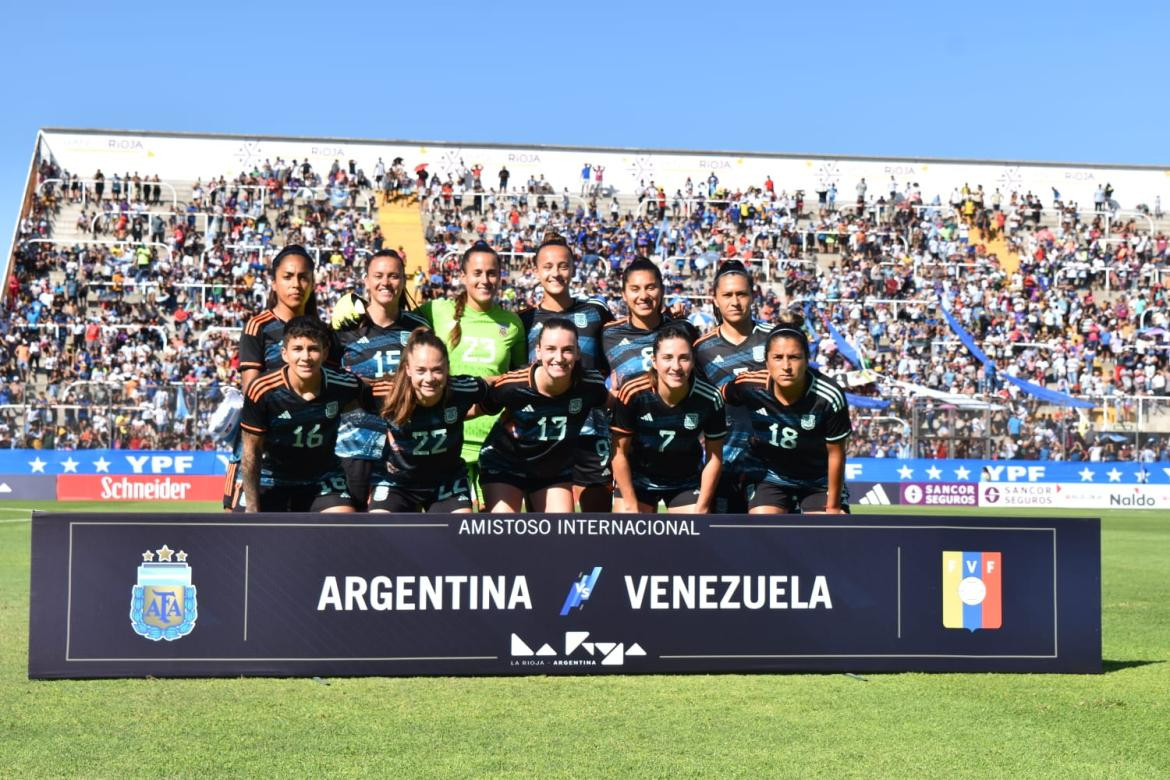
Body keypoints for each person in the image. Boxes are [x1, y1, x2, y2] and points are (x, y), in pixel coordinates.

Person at [416, 241, 526, 501]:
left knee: (495, 532)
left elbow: (520, 380)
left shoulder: (512, 324)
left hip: (496, 440)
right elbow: (393, 320)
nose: (485, 280)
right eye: (477, 273)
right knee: (452, 534)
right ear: (462, 276)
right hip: (448, 438)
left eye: (492, 273)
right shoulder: (436, 311)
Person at [518, 232, 615, 511]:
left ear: (572, 268)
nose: (556, 273)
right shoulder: (524, 321)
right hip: (541, 434)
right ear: (535, 271)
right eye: (547, 267)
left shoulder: (597, 311)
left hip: (589, 429)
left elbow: (623, 341)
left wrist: (672, 317)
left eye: (562, 265)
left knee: (597, 521)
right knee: (550, 528)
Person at [223, 245, 324, 511]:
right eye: (288, 276)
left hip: (309, 454)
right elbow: (252, 393)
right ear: (274, 282)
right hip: (262, 451)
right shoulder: (259, 327)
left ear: (312, 282)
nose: (296, 284)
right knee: (244, 538)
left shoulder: (323, 331)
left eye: (304, 277)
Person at [723, 315, 852, 514]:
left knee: (828, 532)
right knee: (763, 527)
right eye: (778, 357)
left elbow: (836, 453)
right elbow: (715, 399)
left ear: (807, 360)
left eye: (794, 357)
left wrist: (833, 507)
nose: (786, 366)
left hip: (818, 480)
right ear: (766, 361)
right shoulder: (748, 385)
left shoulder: (829, 395)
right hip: (771, 476)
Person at [477, 318, 609, 512]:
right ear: (538, 352)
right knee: (503, 531)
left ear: (578, 353)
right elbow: (473, 410)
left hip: (553, 469)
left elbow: (620, 404)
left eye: (567, 349)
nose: (559, 357)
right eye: (551, 349)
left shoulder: (590, 384)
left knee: (561, 534)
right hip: (505, 464)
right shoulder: (512, 385)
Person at [333, 249, 430, 511]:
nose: (385, 282)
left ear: (403, 280)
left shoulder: (419, 328)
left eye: (394, 276)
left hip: (403, 451)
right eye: (378, 275)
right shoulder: (344, 329)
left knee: (391, 539)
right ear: (366, 280)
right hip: (353, 449)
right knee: (347, 538)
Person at [240, 317, 368, 513]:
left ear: (325, 353)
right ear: (284, 353)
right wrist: (252, 507)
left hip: (322, 479)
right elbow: (251, 452)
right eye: (298, 349)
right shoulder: (262, 390)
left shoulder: (345, 385)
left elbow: (373, 403)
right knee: (245, 533)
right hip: (272, 478)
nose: (306, 357)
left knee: (344, 522)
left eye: (313, 349)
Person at [611, 323, 726, 513]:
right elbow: (619, 453)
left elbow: (714, 457)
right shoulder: (633, 392)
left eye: (684, 358)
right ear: (654, 361)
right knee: (629, 533)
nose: (676, 366)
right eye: (667, 358)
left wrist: (702, 507)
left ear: (693, 361)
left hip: (685, 482)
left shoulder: (710, 398)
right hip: (638, 480)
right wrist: (631, 506)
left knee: (693, 534)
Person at [369, 329, 488, 513]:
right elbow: (347, 393)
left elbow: (500, 387)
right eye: (421, 370)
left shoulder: (463, 389)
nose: (429, 378)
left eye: (437, 370)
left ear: (448, 367)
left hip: (446, 482)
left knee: (460, 533)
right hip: (397, 483)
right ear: (408, 369)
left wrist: (505, 414)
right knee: (381, 531)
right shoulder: (386, 393)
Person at [694, 260, 773, 513]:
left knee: (771, 546)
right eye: (727, 295)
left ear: (753, 295)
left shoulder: (776, 339)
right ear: (714, 299)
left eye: (741, 294)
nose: (735, 301)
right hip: (722, 465)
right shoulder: (701, 349)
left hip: (771, 468)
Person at [602, 257, 696, 391]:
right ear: (623, 294)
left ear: (662, 290)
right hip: (628, 411)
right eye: (635, 289)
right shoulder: (609, 334)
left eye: (650, 287)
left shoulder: (683, 330)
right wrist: (609, 397)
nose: (644, 296)